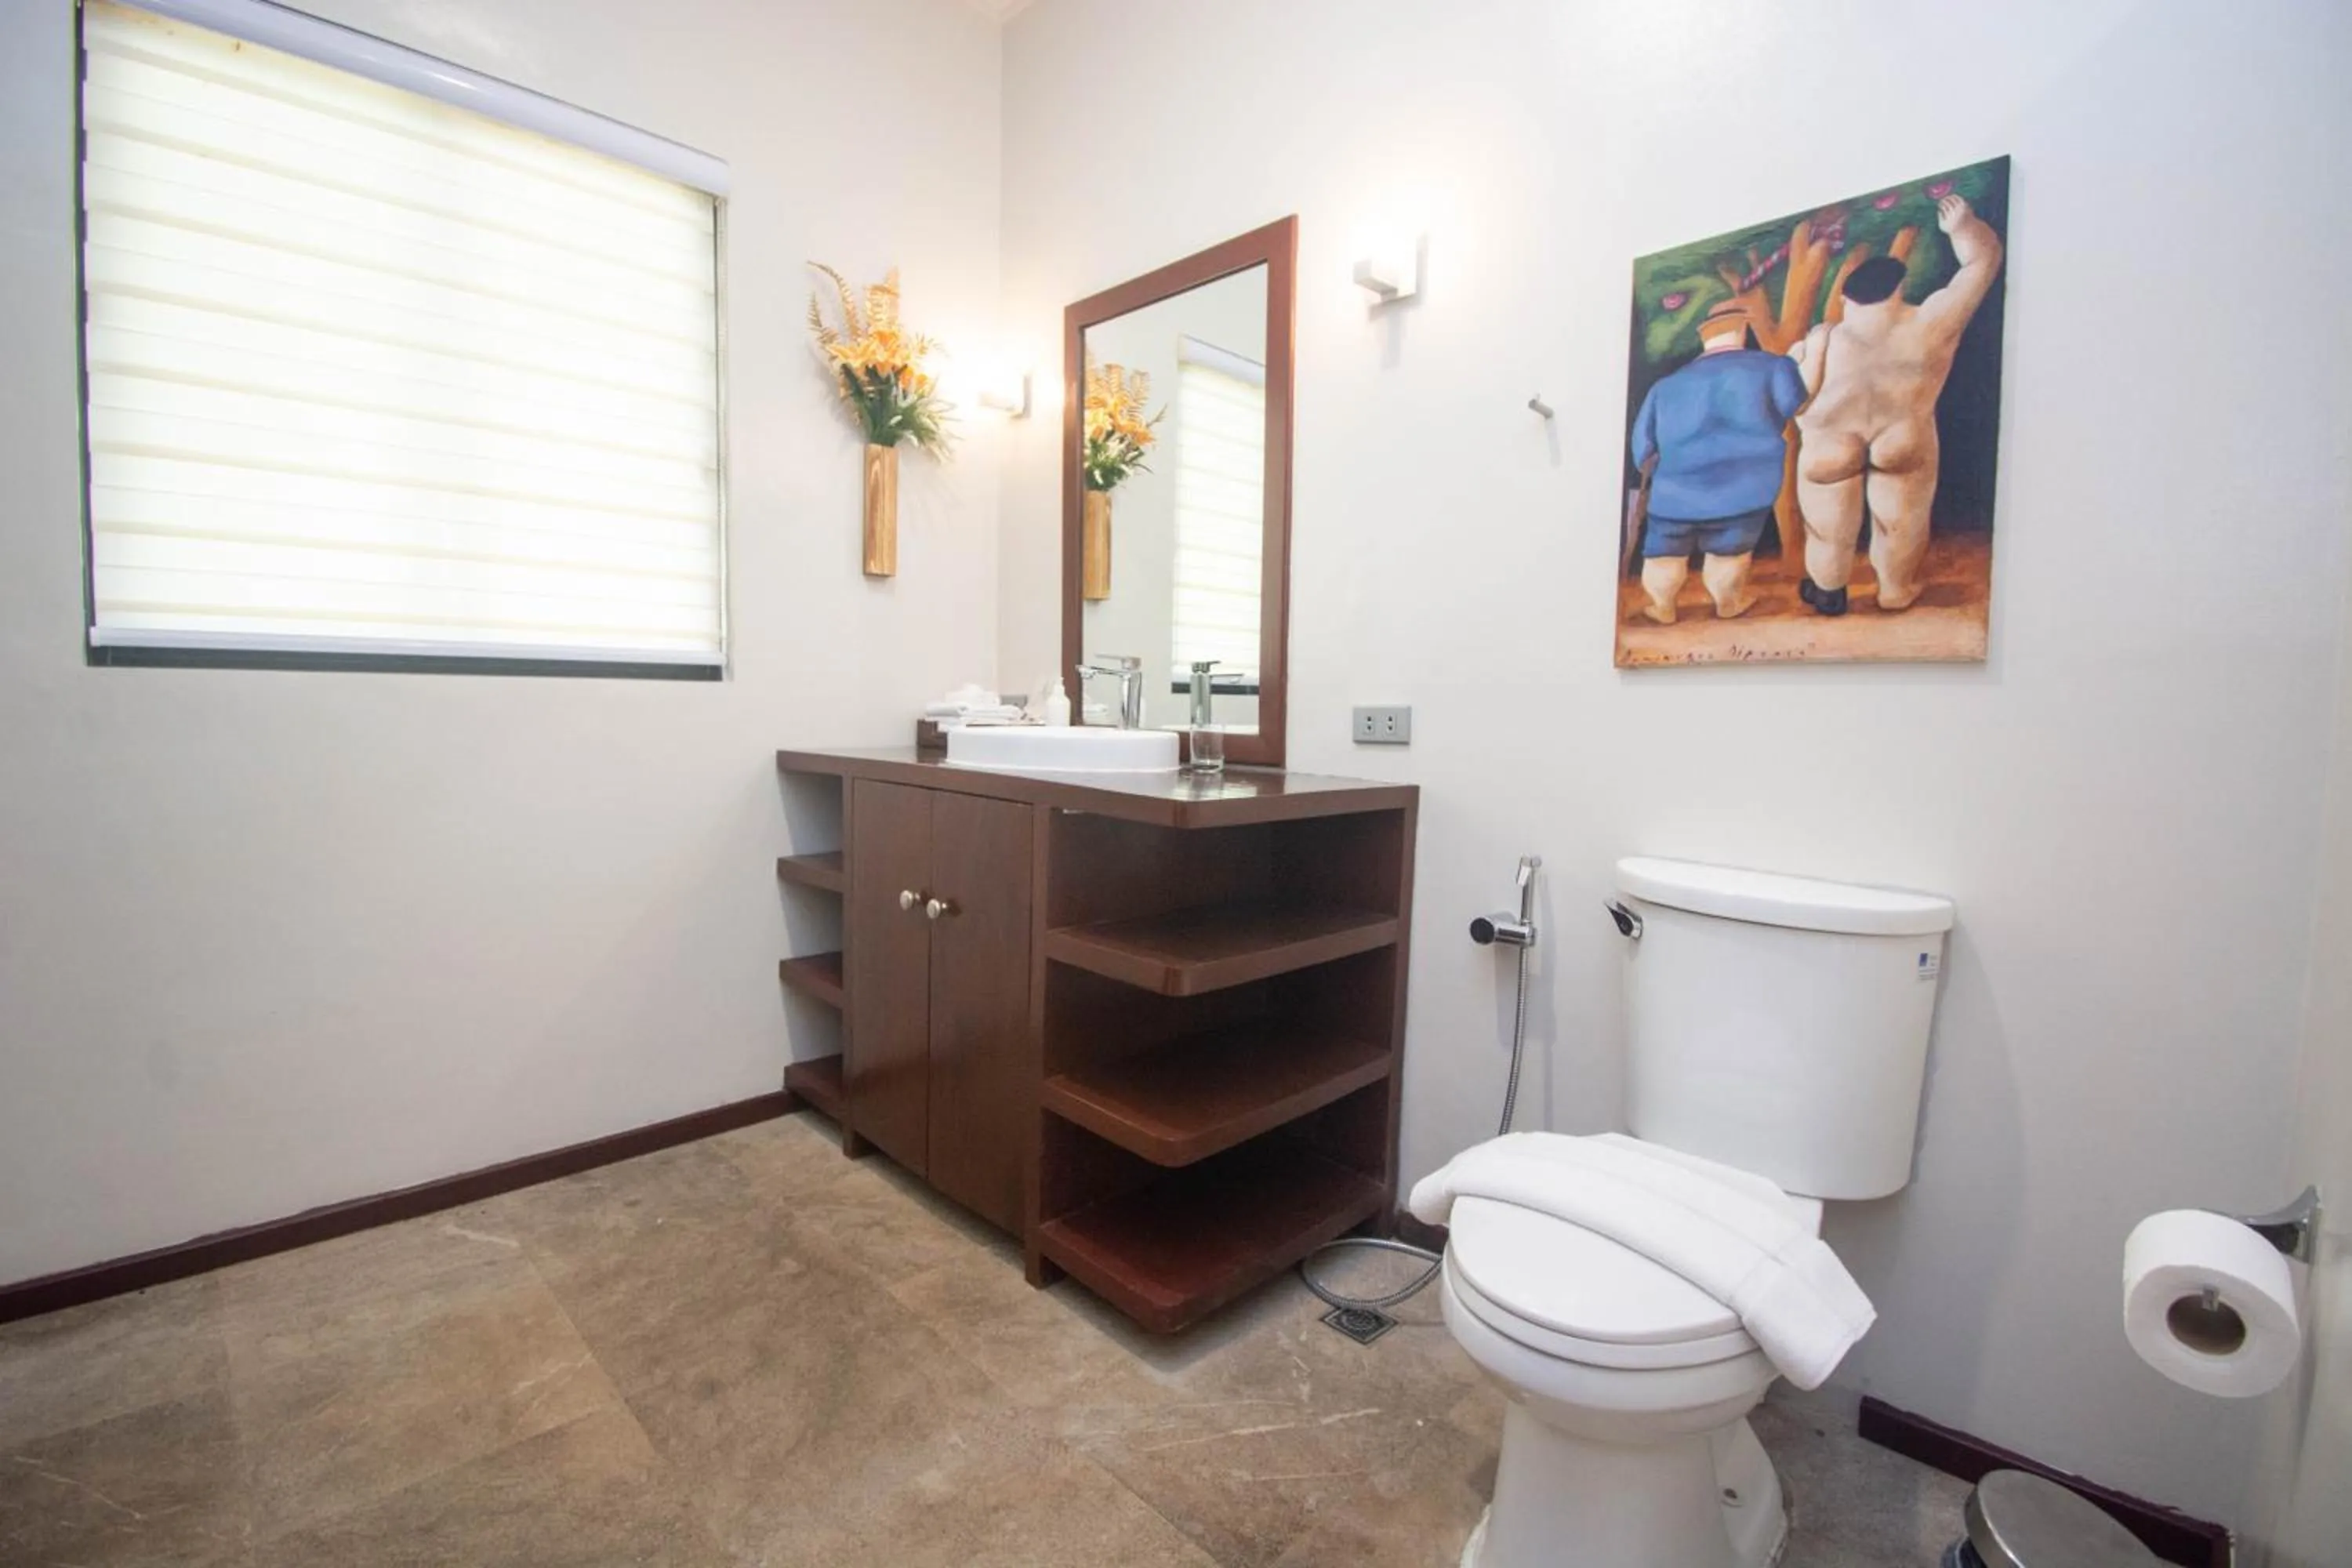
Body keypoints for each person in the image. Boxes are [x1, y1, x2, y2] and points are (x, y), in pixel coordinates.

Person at [1789, 193, 2004, 614]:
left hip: (1829, 443)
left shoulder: (1822, 338)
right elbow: (1983, 264)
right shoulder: (1930, 322)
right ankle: (1894, 590)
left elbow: (1795, 397)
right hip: (1902, 434)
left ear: (1847, 300)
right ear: (1898, 288)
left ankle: (1830, 589)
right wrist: (1963, 227)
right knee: (1901, 523)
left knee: (1826, 528)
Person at [1628, 299, 1809, 623]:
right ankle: (1728, 603)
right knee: (1730, 551)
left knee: (1665, 553)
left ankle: (1663, 607)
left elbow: (1642, 449)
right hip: (1746, 486)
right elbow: (1794, 406)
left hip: (1673, 493)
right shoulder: (1774, 367)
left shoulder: (1665, 387)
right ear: (1742, 330)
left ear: (1704, 338)